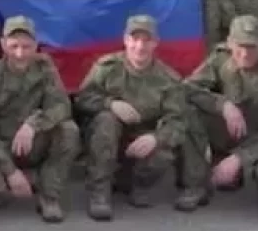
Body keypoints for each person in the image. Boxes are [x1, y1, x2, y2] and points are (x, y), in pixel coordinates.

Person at [75, 14, 197, 220]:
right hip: (106, 140)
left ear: (155, 43)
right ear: (125, 40)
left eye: (146, 40)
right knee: (106, 120)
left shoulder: (168, 79)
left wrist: (156, 138)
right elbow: (82, 99)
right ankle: (99, 192)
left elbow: (178, 120)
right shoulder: (107, 68)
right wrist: (110, 104)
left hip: (142, 142)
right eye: (135, 39)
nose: (139, 46)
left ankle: (136, 184)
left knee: (165, 148)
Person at [0, 16, 79, 223]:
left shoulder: (45, 68)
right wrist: (10, 172)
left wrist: (33, 124)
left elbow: (61, 106)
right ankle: (30, 177)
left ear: (36, 45)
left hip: (33, 142)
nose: (20, 53)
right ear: (2, 45)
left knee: (68, 130)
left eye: (26, 46)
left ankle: (49, 195)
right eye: (14, 46)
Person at [181, 16, 258, 208]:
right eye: (240, 45)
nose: (245, 53)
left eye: (252, 47)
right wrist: (222, 104)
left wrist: (239, 158)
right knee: (187, 111)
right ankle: (196, 184)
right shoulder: (219, 59)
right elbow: (187, 89)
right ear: (230, 42)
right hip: (223, 131)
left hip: (256, 138)